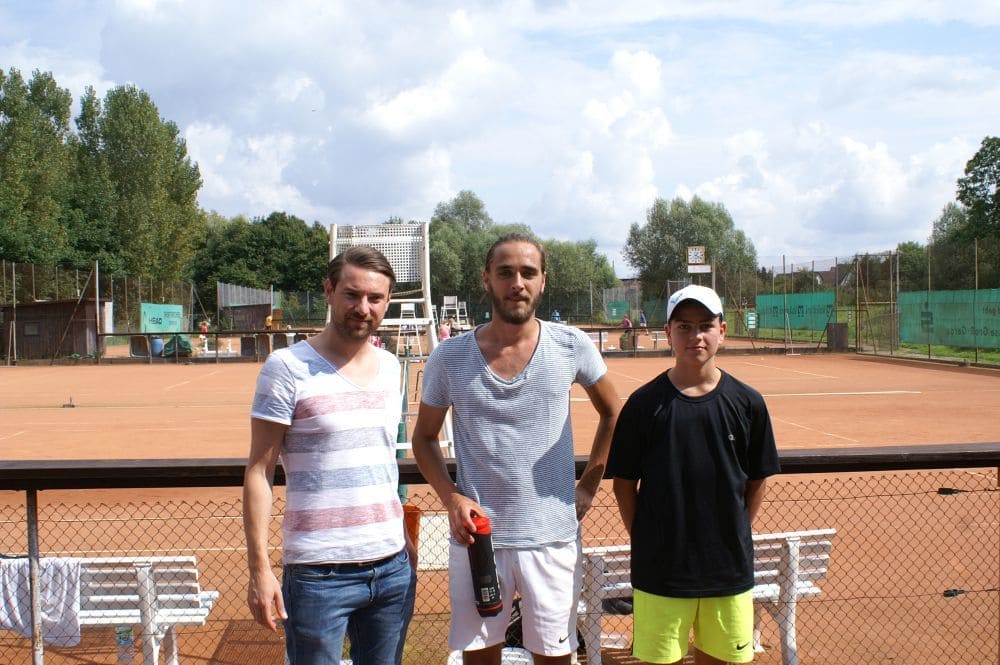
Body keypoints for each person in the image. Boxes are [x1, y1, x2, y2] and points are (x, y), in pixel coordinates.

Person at [411, 233, 620, 665]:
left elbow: (614, 413)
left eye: (528, 272)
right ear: (486, 279)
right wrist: (451, 497)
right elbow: (424, 438)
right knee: (479, 656)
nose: (517, 283)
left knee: (554, 657)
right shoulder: (449, 357)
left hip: (552, 537)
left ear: (544, 280)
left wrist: (588, 487)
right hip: (478, 538)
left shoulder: (571, 345)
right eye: (505, 272)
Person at [243, 245, 417, 665]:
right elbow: (259, 471)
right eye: (352, 295)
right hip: (318, 573)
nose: (363, 307)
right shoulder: (286, 367)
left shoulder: (392, 367)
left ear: (387, 301)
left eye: (375, 298)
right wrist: (259, 569)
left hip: (392, 568)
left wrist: (402, 542)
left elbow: (381, 461)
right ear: (329, 291)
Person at [607, 284, 780, 665]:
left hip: (727, 570)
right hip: (661, 571)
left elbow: (756, 481)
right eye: (684, 326)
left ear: (723, 330)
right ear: (667, 333)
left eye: (705, 325)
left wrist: (733, 534)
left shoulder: (748, 403)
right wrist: (649, 538)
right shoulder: (643, 404)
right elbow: (623, 485)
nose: (695, 336)